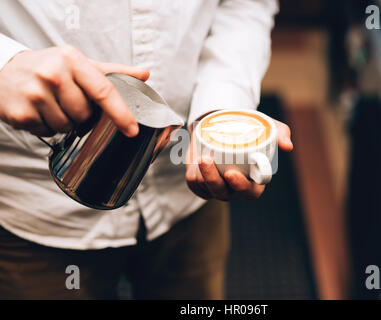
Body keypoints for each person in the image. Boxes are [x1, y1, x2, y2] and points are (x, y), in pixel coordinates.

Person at [0, 0, 292, 299]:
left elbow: (244, 5)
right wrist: (5, 64)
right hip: (36, 204)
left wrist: (221, 111)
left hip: (185, 193)